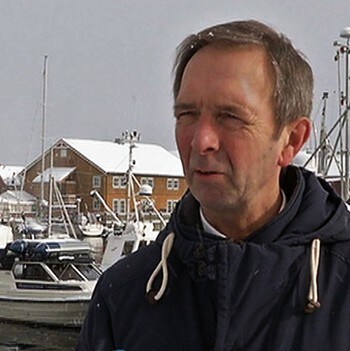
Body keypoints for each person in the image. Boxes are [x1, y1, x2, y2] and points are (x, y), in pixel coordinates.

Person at [77, 20, 350, 351]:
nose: (201, 140)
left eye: (231, 117)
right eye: (187, 115)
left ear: (291, 140)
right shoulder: (124, 294)